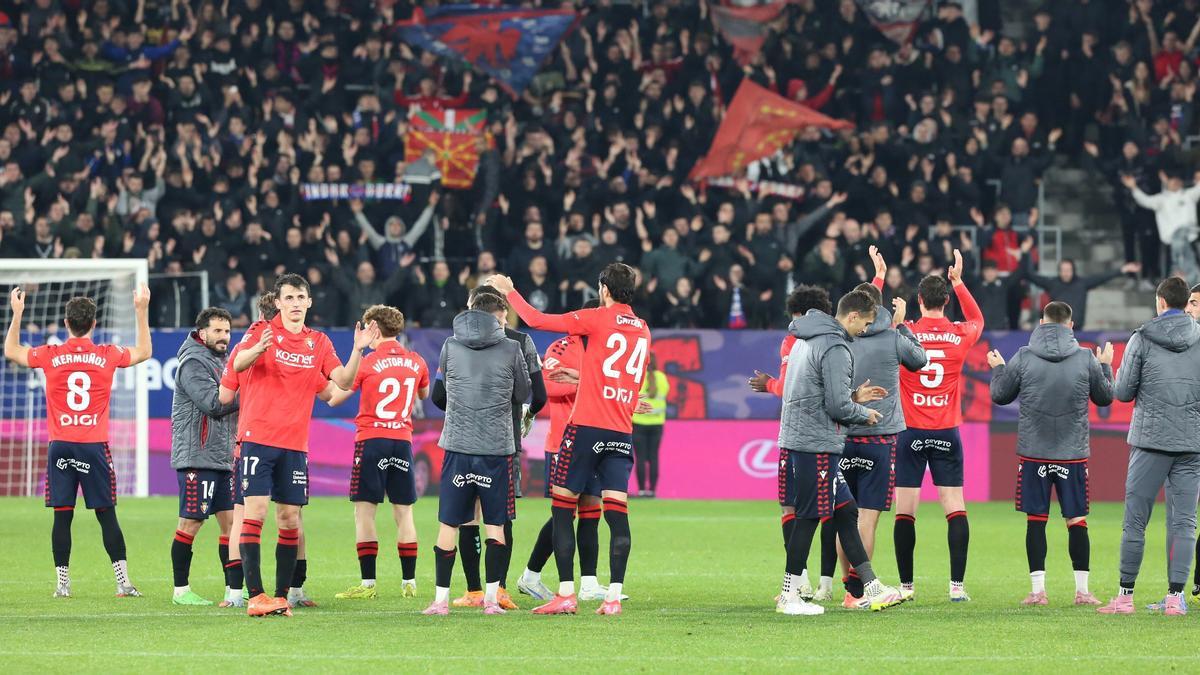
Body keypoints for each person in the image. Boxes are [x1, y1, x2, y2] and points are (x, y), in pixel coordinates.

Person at [487, 263, 652, 616]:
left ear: (604, 289)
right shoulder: (643, 329)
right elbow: (625, 378)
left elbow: (536, 319)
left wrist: (508, 290)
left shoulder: (596, 318)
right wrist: (584, 377)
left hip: (586, 428)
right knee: (617, 514)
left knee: (563, 510)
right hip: (621, 431)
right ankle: (612, 598)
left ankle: (565, 593)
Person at [217, 274, 377, 617]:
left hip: (294, 445)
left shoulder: (318, 342)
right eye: (288, 298)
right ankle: (255, 595)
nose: (294, 303)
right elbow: (237, 363)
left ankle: (281, 596)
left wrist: (357, 350)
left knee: (289, 518)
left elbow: (343, 381)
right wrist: (256, 349)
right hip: (258, 439)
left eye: (300, 297)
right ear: (278, 302)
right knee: (255, 513)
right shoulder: (261, 330)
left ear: (309, 302)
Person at [5, 285, 153, 598]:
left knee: (62, 515)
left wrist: (17, 314)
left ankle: (62, 585)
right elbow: (144, 351)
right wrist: (141, 311)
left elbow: (12, 352)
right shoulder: (107, 354)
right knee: (106, 514)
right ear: (94, 324)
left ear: (66, 323)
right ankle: (123, 582)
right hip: (93, 446)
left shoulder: (50, 354)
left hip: (60, 445)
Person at [774, 289, 904, 616]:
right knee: (808, 517)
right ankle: (789, 595)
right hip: (816, 443)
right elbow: (836, 406)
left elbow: (816, 392)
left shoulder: (807, 339)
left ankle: (870, 588)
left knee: (846, 511)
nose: (866, 329)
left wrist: (853, 396)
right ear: (853, 316)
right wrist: (863, 412)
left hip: (806, 437)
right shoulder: (835, 346)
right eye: (866, 323)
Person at [987, 301, 1114, 607]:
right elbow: (1105, 397)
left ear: (1042, 323)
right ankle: (1082, 592)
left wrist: (999, 368)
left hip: (1034, 453)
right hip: (1073, 453)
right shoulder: (1085, 357)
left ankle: (1038, 592)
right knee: (1077, 520)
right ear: (1071, 325)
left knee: (1036, 520)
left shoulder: (1024, 356)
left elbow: (1000, 395)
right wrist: (1105, 365)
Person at [423, 292, 530, 616]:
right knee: (495, 525)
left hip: (457, 445)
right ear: (497, 316)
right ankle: (491, 600)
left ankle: (440, 601)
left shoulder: (450, 346)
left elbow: (439, 393)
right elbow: (524, 392)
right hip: (496, 449)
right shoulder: (512, 348)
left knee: (449, 523)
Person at [1098, 277, 1200, 616]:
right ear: (1185, 303)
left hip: (1150, 442)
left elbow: (1123, 392)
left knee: (1135, 521)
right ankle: (1175, 598)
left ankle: (1125, 597)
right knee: (1184, 522)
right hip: (1191, 443)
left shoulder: (1141, 338)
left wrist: (1108, 369)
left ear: (1160, 302)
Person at [889, 250, 983, 602]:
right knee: (954, 506)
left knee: (904, 511)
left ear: (919, 300)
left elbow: (880, 334)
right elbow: (977, 318)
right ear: (946, 301)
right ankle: (957, 588)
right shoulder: (960, 334)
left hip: (910, 431)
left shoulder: (906, 333)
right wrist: (959, 282)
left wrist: (898, 320)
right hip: (946, 432)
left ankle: (906, 587)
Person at [446, 285, 547, 610]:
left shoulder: (455, 342)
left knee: (466, 515)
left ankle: (473, 590)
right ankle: (499, 589)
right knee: (501, 514)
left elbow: (438, 394)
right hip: (504, 440)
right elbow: (537, 394)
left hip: (463, 440)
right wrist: (527, 415)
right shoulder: (520, 342)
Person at [837, 252, 928, 609]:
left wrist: (877, 277)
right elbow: (919, 360)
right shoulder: (892, 336)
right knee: (867, 518)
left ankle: (849, 591)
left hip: (843, 435)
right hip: (880, 437)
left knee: (844, 517)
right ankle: (860, 591)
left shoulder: (842, 336)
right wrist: (902, 326)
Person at [516, 299, 621, 604]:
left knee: (591, 512)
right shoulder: (562, 347)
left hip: (595, 439)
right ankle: (531, 575)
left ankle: (588, 583)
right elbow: (548, 386)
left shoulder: (606, 351)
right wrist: (592, 385)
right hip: (564, 441)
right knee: (564, 513)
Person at [325, 306, 429, 601]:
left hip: (371, 441)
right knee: (404, 513)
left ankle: (368, 584)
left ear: (374, 329)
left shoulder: (368, 363)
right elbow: (423, 394)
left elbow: (335, 398)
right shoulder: (416, 360)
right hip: (402, 441)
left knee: (364, 512)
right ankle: (409, 582)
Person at [748, 285, 834, 601]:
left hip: (798, 434)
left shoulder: (793, 340)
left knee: (793, 506)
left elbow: (788, 388)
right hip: (832, 434)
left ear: (799, 314)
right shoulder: (836, 340)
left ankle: (798, 582)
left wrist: (768, 383)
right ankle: (828, 584)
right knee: (833, 509)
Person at [168, 307, 239, 606]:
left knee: (231, 524)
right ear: (202, 333)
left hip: (222, 457)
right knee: (191, 522)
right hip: (197, 456)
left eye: (227, 331)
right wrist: (250, 394)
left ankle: (234, 590)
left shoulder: (223, 361)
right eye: (218, 331)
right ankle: (181, 590)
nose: (224, 337)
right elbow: (213, 403)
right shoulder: (193, 363)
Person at [220, 291, 276, 609]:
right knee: (290, 515)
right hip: (278, 438)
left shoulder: (243, 344)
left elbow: (225, 396)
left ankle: (233, 592)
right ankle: (294, 589)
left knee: (241, 514)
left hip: (247, 440)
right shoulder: (277, 342)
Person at [1123, 171, 1200, 284]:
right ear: (1167, 182)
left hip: (1190, 242)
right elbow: (1145, 200)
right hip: (1170, 244)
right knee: (1171, 278)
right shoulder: (1160, 199)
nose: (1175, 182)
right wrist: (1134, 187)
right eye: (1172, 180)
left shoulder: (1189, 195)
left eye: (1177, 180)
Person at [632, 352, 669, 497]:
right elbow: (665, 394)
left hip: (639, 423)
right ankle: (652, 491)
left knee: (640, 458)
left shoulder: (637, 376)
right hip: (657, 423)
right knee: (653, 457)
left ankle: (642, 490)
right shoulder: (662, 378)